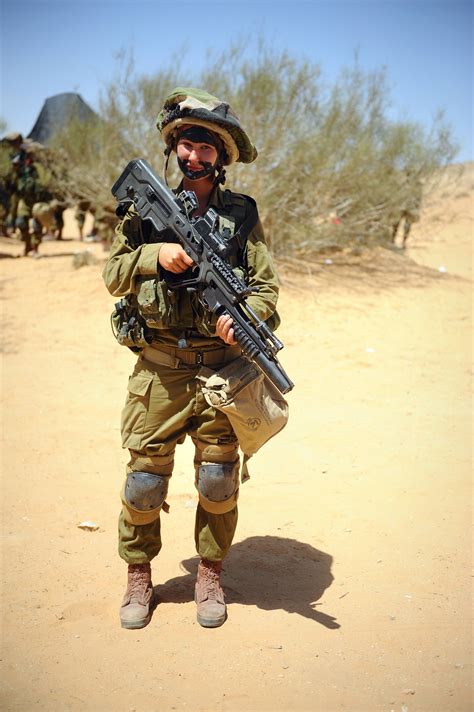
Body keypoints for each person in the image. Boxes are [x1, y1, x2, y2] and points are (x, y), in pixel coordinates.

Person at [103, 87, 281, 630]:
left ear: (222, 158)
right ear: (174, 148)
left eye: (208, 149)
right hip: (158, 368)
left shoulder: (241, 215)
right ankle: (139, 575)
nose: (196, 157)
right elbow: (113, 276)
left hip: (218, 372)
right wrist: (156, 256)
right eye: (188, 144)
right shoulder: (142, 208)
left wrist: (243, 317)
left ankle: (209, 573)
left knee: (218, 480)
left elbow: (267, 289)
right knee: (145, 483)